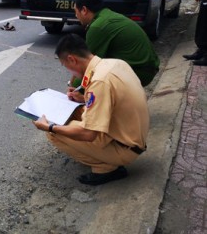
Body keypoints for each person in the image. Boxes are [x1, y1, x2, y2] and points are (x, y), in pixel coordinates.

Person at [33, 33, 149, 185]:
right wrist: (82, 98)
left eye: (66, 66)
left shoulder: (99, 81)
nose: (69, 71)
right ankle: (102, 156)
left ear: (72, 59)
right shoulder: (114, 63)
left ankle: (106, 167)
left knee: (53, 132)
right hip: (130, 134)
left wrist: (50, 126)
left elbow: (88, 134)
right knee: (74, 112)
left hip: (125, 148)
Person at [68, 0, 159, 101]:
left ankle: (101, 105)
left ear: (84, 10)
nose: (76, 15)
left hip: (141, 71)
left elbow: (88, 65)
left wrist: (76, 90)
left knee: (98, 78)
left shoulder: (98, 27)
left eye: (76, 11)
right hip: (147, 66)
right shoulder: (107, 15)